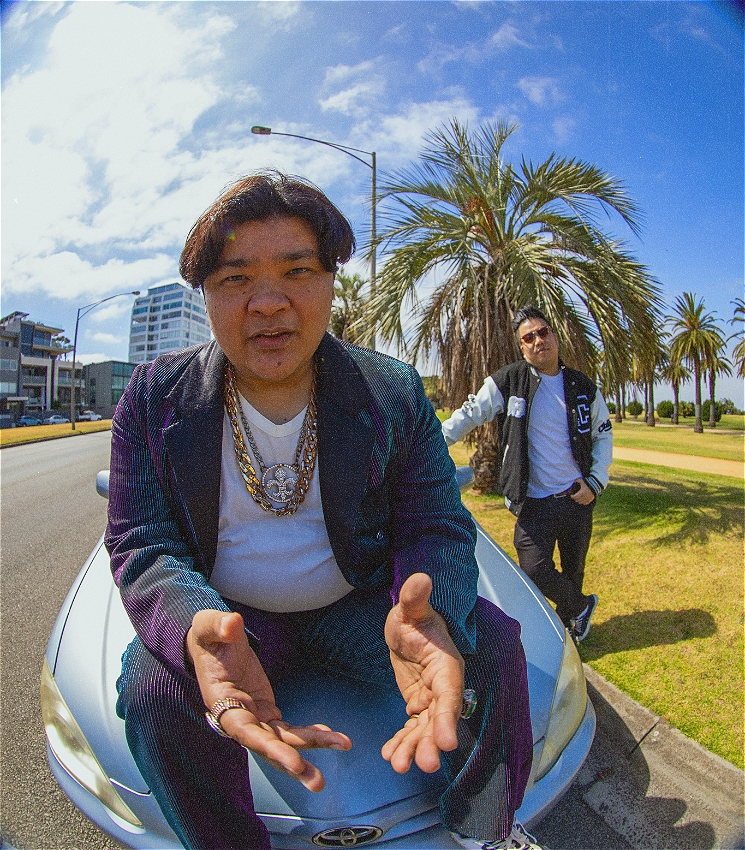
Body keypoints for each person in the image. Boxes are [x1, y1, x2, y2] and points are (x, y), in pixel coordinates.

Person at [106, 172, 542, 850]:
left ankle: (484, 829)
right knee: (149, 690)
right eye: (235, 280)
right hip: (231, 616)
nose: (268, 302)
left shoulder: (389, 390)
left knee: (491, 641)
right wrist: (196, 626)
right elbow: (142, 541)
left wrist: (420, 612)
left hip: (364, 607)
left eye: (297, 271)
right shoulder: (153, 398)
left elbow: (433, 519)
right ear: (206, 296)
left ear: (331, 281)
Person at [442, 306, 613, 643]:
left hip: (576, 499)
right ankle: (582, 606)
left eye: (543, 332)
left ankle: (571, 629)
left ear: (554, 335)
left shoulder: (582, 387)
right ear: (522, 347)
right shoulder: (510, 379)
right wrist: (431, 442)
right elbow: (470, 412)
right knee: (534, 568)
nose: (538, 340)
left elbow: (602, 433)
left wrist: (595, 483)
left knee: (573, 571)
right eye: (529, 337)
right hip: (533, 502)